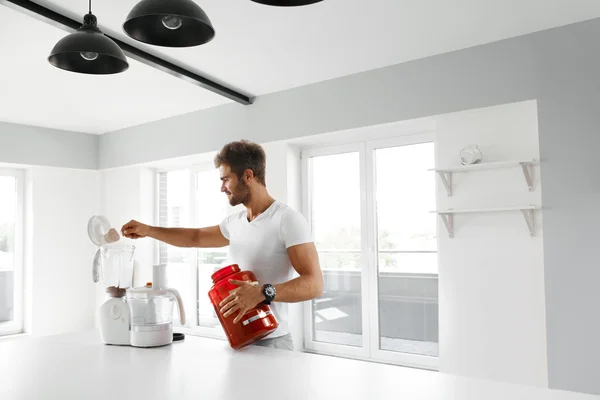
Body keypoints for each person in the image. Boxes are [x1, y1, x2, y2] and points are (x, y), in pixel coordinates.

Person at [121, 140, 324, 351]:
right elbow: (195, 237)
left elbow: (315, 284)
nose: (222, 188)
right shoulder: (234, 222)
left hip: (272, 341)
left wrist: (263, 292)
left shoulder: (286, 219)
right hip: (236, 339)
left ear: (248, 175)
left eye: (226, 179)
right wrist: (149, 230)